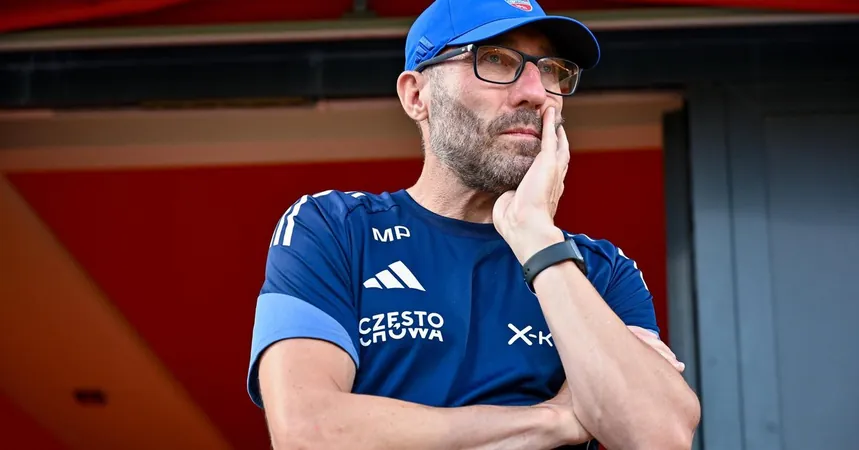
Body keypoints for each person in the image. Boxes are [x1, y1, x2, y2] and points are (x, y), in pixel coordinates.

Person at [246, 0, 701, 448]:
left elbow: (660, 437)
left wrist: (539, 242)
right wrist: (553, 420)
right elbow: (308, 432)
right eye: (497, 60)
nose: (536, 92)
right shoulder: (333, 229)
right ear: (416, 96)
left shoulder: (601, 270)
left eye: (551, 70)